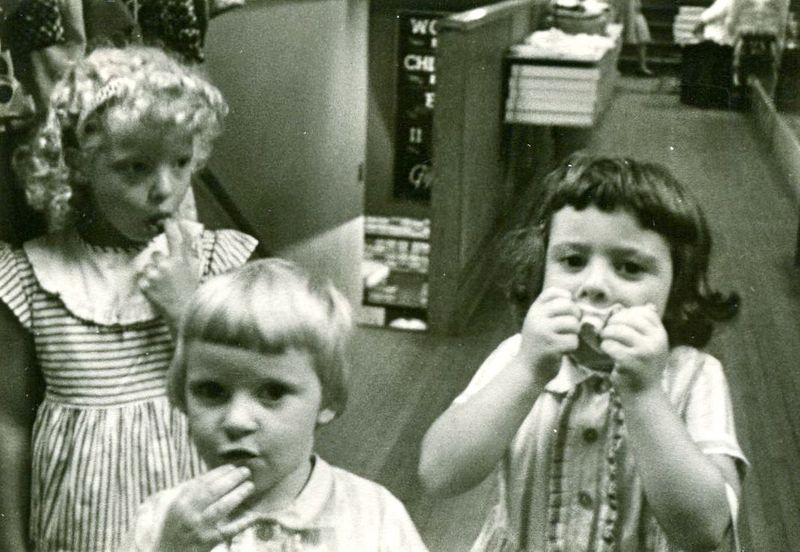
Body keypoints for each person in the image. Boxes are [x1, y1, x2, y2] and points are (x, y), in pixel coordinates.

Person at [418, 154, 747, 551]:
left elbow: (707, 530)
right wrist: (527, 371)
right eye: (573, 261)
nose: (594, 285)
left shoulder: (695, 377)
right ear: (541, 268)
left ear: (676, 284)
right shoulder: (518, 358)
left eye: (629, 267)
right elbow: (438, 474)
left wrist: (645, 393)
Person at [0, 45, 258, 551]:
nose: (165, 189)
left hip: (193, 516)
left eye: (180, 162)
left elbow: (253, 392)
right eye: (135, 168)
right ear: (79, 163)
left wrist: (187, 311)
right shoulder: (28, 277)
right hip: (81, 527)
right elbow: (9, 424)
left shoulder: (218, 263)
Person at [123, 258, 430, 551]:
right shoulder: (163, 520)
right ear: (181, 395)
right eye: (212, 391)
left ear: (328, 400)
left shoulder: (375, 515)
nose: (237, 420)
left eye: (272, 392)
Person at [615, 0, 654, 75]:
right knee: (616, 38)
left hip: (635, 11)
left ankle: (642, 66)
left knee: (642, 37)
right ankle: (614, 66)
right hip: (620, 10)